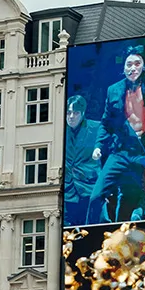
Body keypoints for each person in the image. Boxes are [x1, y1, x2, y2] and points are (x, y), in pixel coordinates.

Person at [87, 44, 145, 223]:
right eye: (129, 65)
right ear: (123, 68)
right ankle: (86, 236)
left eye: (137, 64)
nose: (133, 68)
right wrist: (99, 146)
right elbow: (106, 122)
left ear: (143, 65)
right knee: (96, 196)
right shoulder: (114, 90)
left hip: (144, 150)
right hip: (121, 151)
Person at [64, 94, 102, 225]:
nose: (71, 116)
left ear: (83, 113)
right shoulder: (60, 131)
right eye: (68, 112)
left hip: (89, 187)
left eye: (76, 112)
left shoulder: (96, 128)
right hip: (68, 190)